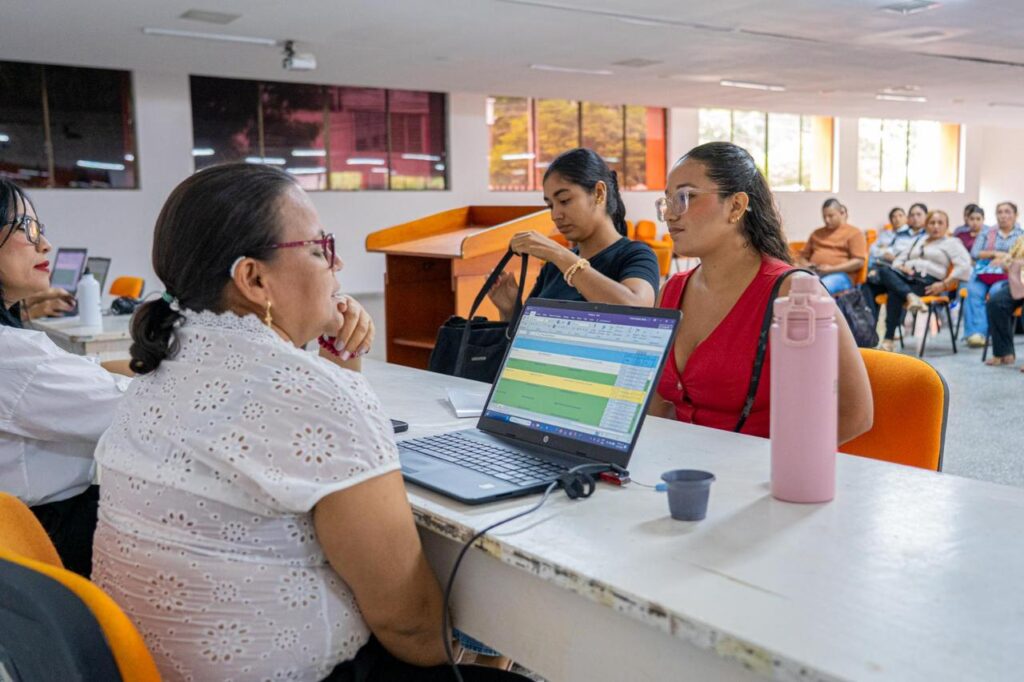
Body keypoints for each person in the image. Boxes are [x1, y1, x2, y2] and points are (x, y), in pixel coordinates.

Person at [91, 164, 525, 682]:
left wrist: (335, 369)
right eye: (320, 249)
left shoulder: (157, 373)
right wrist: (480, 652)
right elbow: (411, 628)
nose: (337, 263)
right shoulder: (313, 393)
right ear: (254, 279)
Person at [646, 142, 872, 443]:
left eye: (685, 197)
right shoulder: (671, 292)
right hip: (683, 465)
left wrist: (780, 461)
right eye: (667, 202)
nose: (670, 215)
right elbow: (657, 406)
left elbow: (855, 413)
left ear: (736, 206)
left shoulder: (792, 294)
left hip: (759, 468)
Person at [0, 178, 130, 577]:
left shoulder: (21, 354)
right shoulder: (17, 357)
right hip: (48, 540)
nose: (45, 245)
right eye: (26, 228)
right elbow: (140, 411)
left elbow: (81, 376)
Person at [487, 147, 659, 320]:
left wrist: (559, 255)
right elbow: (528, 331)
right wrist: (511, 310)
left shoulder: (636, 255)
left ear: (599, 193)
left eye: (564, 200)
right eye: (550, 206)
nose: (555, 215)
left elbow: (636, 311)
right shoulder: (553, 268)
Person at [875, 210, 972, 352]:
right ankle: (910, 297)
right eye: (932, 223)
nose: (936, 226)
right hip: (908, 277)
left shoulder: (952, 243)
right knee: (883, 270)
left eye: (940, 223)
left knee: (895, 292)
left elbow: (964, 265)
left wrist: (945, 284)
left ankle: (888, 339)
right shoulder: (918, 240)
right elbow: (898, 260)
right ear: (926, 225)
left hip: (929, 283)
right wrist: (902, 267)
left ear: (947, 226)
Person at [962, 201, 1024, 347]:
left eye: (1007, 212)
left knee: (996, 294)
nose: (1003, 215)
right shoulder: (987, 233)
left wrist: (1004, 260)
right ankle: (976, 334)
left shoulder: (1021, 235)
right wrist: (994, 254)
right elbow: (975, 253)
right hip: (984, 273)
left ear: (1016, 215)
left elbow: (1020, 258)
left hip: (1007, 275)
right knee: (973, 291)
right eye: (1000, 212)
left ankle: (994, 334)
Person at [864, 202, 928, 318]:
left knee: (889, 281)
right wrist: (886, 253)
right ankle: (870, 325)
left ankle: (907, 302)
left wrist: (892, 257)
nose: (915, 218)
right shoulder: (900, 234)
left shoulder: (926, 236)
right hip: (891, 269)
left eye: (919, 215)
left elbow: (906, 256)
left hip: (907, 273)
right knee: (867, 286)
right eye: (912, 215)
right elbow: (878, 250)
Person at [797, 198, 867, 295]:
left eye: (831, 216)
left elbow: (859, 262)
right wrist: (807, 265)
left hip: (841, 275)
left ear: (841, 213)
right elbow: (803, 257)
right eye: (824, 216)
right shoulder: (816, 233)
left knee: (820, 288)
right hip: (815, 273)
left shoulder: (854, 233)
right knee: (794, 285)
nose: (827, 220)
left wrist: (832, 269)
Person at [984, 236, 1024, 369]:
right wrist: (1006, 262)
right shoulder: (1021, 239)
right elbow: (1011, 257)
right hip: (1019, 282)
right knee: (996, 303)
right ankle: (1004, 353)